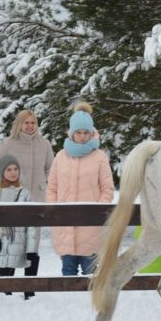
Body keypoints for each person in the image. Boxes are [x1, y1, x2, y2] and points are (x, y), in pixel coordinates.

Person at [47, 102, 114, 276]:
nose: (83, 136)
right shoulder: (61, 156)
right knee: (67, 274)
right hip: (65, 225)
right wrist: (55, 210)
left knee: (91, 276)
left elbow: (107, 189)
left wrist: (96, 212)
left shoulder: (99, 157)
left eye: (86, 133)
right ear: (72, 133)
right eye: (79, 132)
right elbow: (52, 187)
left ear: (91, 133)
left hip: (90, 227)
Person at [0, 109, 54, 288]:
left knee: (32, 241)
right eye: (26, 122)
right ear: (19, 124)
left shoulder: (44, 144)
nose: (29, 126)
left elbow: (51, 166)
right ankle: (6, 285)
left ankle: (29, 286)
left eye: (33, 122)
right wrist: (10, 184)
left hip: (36, 197)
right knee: (11, 239)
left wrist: (43, 182)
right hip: (12, 198)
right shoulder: (9, 143)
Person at [0, 154, 37, 299]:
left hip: (17, 244)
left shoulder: (25, 195)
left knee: (10, 277)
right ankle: (5, 302)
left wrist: (31, 250)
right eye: (8, 169)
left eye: (15, 169)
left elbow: (32, 226)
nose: (13, 172)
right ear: (2, 172)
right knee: (1, 280)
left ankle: (17, 301)